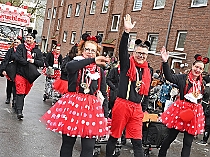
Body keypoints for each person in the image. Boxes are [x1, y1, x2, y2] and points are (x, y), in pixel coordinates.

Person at [40, 33, 109, 157]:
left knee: (89, 147)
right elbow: (70, 68)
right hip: (73, 106)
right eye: (87, 49)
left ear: (97, 52)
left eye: (93, 50)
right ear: (82, 50)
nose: (89, 52)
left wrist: (105, 114)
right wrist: (92, 60)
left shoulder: (99, 71)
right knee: (68, 143)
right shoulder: (75, 63)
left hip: (91, 109)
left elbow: (103, 92)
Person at [106, 14, 151, 157]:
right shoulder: (127, 65)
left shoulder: (147, 71)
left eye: (144, 54)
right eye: (139, 53)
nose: (141, 56)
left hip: (136, 108)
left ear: (147, 55)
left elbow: (146, 92)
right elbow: (122, 50)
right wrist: (126, 32)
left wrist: (143, 108)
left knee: (138, 141)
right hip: (122, 105)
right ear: (134, 53)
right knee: (114, 136)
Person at [158, 51, 208, 157]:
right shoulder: (183, 78)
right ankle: (161, 154)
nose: (197, 70)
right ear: (192, 66)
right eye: (196, 67)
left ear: (202, 71)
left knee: (188, 143)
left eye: (200, 69)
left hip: (193, 114)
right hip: (181, 112)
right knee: (171, 137)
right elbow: (169, 77)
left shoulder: (201, 84)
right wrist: (165, 62)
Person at [14, 30, 44, 120]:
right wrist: (27, 62)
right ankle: (19, 111)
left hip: (30, 75)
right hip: (20, 73)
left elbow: (42, 62)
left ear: (34, 40)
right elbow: (18, 58)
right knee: (20, 91)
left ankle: (17, 103)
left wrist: (33, 61)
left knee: (25, 92)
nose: (28, 39)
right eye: (27, 37)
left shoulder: (37, 51)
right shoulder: (21, 47)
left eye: (30, 38)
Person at [0, 38, 21, 106]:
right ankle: (8, 98)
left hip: (18, 70)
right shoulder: (10, 51)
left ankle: (14, 100)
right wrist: (3, 70)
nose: (16, 44)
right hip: (10, 70)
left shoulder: (22, 51)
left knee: (16, 86)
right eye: (15, 42)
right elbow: (6, 60)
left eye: (18, 43)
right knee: (9, 85)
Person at [196, 81, 210, 146]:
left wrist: (204, 113)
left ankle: (204, 140)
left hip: (208, 120)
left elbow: (207, 112)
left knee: (207, 129)